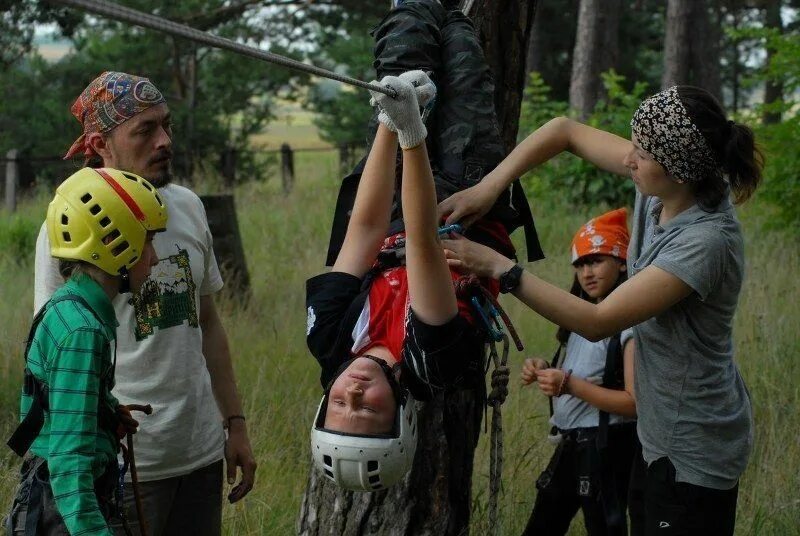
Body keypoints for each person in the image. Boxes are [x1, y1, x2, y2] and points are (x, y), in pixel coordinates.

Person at [440, 85, 760, 535]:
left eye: (642, 154)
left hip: (693, 447)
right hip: (655, 432)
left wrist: (499, 268)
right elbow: (564, 131)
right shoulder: (663, 186)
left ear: (679, 171)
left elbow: (596, 321)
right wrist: (489, 188)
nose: (629, 159)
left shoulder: (704, 242)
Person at [34, 71, 256, 535]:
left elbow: (209, 325)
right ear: (100, 143)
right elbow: (56, 359)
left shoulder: (189, 206)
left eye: (166, 125)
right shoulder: (70, 226)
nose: (164, 141)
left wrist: (234, 424)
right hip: (126, 466)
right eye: (145, 130)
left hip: (199, 451)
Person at [306, 71, 509, 491]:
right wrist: (411, 132)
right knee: (463, 54)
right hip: (467, 201)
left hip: (400, 211)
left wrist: (388, 120)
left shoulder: (329, 337)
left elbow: (363, 230)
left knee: (404, 43)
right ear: (399, 412)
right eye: (366, 412)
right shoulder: (434, 362)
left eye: (339, 403)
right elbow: (422, 241)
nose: (354, 394)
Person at [5, 167, 166, 535]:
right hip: (62, 510)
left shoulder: (68, 305)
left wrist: (106, 411)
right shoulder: (83, 331)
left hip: (51, 497)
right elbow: (70, 459)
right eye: (148, 242)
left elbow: (56, 398)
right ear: (117, 246)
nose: (154, 258)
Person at [519, 208, 638, 536]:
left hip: (607, 447)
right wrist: (546, 369)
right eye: (581, 264)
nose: (587, 272)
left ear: (623, 262)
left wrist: (570, 385)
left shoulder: (628, 325)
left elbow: (634, 404)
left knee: (605, 528)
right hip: (572, 445)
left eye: (597, 261)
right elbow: (582, 371)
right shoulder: (579, 321)